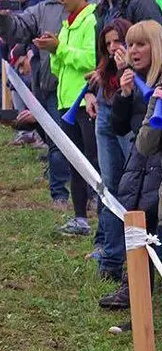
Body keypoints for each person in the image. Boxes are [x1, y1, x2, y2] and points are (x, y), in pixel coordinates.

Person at [102, 20, 162, 311]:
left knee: (151, 232)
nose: (133, 51)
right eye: (131, 44)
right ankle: (134, 296)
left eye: (141, 44)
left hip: (156, 166)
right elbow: (119, 127)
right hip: (140, 165)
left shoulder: (158, 82)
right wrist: (124, 97)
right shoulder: (135, 81)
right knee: (137, 228)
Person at [0, 0, 71, 210]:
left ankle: (92, 196)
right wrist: (3, 17)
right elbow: (16, 29)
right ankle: (59, 196)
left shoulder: (92, 6)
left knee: (84, 146)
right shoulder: (42, 9)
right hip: (49, 88)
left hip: (81, 90)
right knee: (56, 143)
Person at [33, 0, 98, 235]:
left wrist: (60, 48)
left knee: (93, 162)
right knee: (75, 164)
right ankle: (80, 218)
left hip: (85, 102)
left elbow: (92, 60)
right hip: (66, 102)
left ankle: (102, 218)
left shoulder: (91, 20)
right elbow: (60, 68)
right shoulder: (66, 25)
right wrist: (53, 50)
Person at [83, 19, 132, 281]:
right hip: (104, 114)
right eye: (108, 43)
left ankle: (130, 260)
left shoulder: (134, 65)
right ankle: (111, 258)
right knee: (109, 188)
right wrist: (92, 94)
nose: (113, 47)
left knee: (128, 188)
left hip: (125, 120)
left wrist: (127, 67)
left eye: (117, 41)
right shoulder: (106, 68)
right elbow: (95, 80)